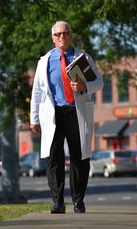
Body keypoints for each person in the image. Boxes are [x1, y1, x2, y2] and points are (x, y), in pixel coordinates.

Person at [30, 21, 103, 213]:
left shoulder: (83, 57)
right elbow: (37, 91)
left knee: (80, 158)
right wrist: (34, 119)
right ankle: (58, 202)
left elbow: (100, 82)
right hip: (53, 115)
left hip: (76, 112)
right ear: (52, 38)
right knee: (54, 158)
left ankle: (78, 201)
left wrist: (84, 87)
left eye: (66, 33)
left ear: (71, 35)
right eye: (58, 34)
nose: (62, 37)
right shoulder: (44, 61)